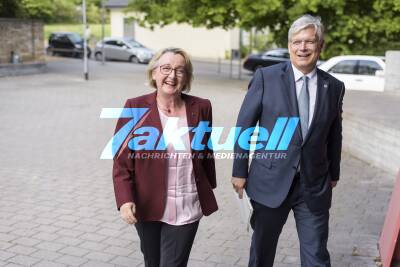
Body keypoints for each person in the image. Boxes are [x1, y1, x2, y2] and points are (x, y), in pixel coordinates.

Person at [232, 15, 345, 267]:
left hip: (313, 186)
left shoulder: (334, 86)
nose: (302, 48)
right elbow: (244, 127)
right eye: (296, 42)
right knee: (262, 252)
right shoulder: (266, 77)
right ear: (289, 45)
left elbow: (334, 134)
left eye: (309, 42)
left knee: (316, 253)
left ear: (321, 45)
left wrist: (334, 173)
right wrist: (239, 171)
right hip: (269, 182)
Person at [113, 47, 218, 267]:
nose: (172, 75)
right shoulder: (134, 107)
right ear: (154, 73)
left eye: (180, 70)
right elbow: (122, 161)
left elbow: (206, 150)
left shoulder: (202, 107)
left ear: (186, 77)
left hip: (187, 201)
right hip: (147, 202)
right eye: (166, 68)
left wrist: (209, 185)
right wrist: (124, 199)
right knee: (153, 261)